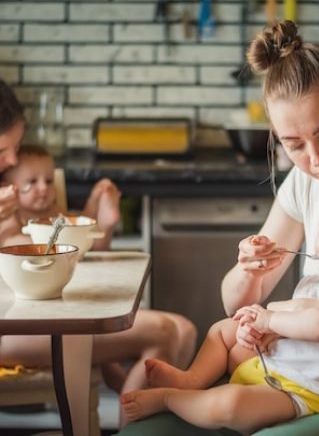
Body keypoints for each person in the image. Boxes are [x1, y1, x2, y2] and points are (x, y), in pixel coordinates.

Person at [116, 20, 319, 436]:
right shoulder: (305, 179)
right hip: (289, 355)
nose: (316, 160)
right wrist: (248, 271)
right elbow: (233, 303)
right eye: (294, 144)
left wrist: (290, 316)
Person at [119, 176, 319, 434]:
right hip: (272, 362)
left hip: (302, 390)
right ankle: (193, 379)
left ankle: (171, 399)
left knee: (230, 406)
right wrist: (255, 323)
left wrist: (268, 320)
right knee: (225, 329)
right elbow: (299, 312)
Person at [0, 79, 197, 426]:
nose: (12, 159)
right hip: (12, 331)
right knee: (168, 332)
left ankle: (136, 420)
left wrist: (96, 219)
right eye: (5, 150)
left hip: (42, 315)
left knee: (182, 330)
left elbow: (55, 259)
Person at [0, 143, 121, 250]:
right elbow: (9, 241)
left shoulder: (54, 210)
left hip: (68, 258)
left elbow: (78, 228)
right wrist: (52, 242)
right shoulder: (12, 213)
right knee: (84, 243)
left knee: (86, 234)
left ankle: (106, 224)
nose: (43, 187)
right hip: (34, 265)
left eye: (49, 181)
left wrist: (93, 201)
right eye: (32, 182)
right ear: (7, 188)